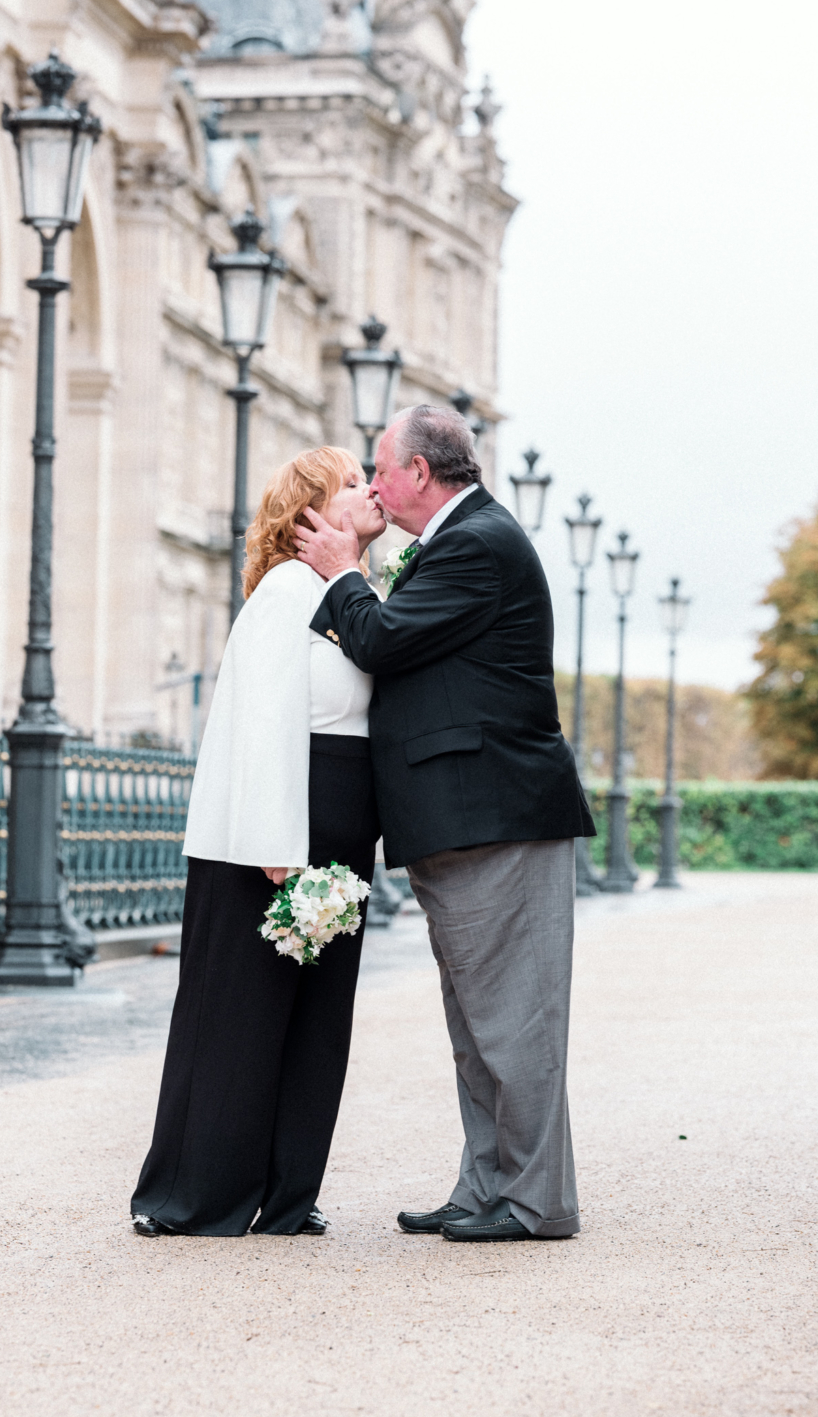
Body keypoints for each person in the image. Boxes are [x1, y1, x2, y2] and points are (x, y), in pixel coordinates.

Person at [295, 406, 595, 1244]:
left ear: (419, 475)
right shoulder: (460, 541)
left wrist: (339, 569)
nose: (373, 486)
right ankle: (484, 1188)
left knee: (514, 1019)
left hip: (494, 814)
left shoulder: (477, 543)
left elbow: (382, 640)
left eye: (378, 470)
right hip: (463, 814)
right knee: (479, 1025)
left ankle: (535, 1203)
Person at [131, 447, 386, 1238]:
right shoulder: (286, 590)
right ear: (310, 514)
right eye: (352, 483)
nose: (371, 488)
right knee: (241, 1019)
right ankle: (197, 1196)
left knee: (315, 1024)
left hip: (336, 843)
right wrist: (281, 847)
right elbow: (263, 722)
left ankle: (285, 1196)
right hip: (274, 841)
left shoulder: (350, 592)